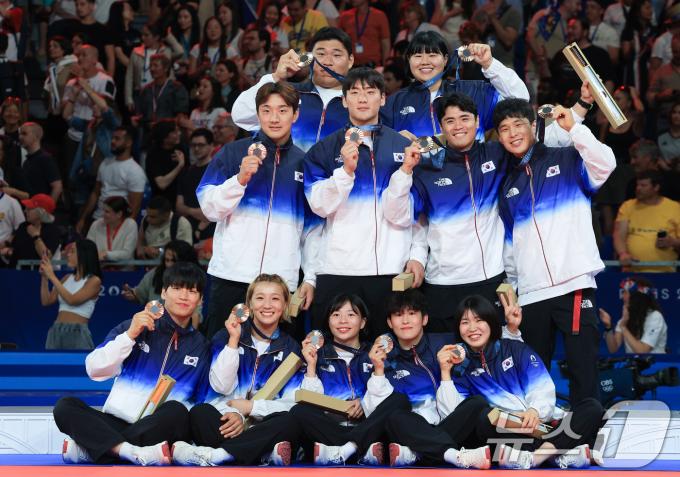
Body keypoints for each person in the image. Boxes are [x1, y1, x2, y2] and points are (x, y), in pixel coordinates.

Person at [382, 88, 594, 332]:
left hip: (489, 281)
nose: (458, 126)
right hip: (440, 284)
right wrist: (405, 170)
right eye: (450, 121)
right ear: (441, 126)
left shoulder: (498, 154)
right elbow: (398, 216)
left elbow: (536, 138)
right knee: (444, 352)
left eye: (465, 119)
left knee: (491, 354)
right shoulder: (426, 169)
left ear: (477, 122)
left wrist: (581, 106)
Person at [495, 98, 616, 404]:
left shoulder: (568, 158)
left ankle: (585, 432)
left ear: (534, 126)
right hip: (531, 293)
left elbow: (606, 163)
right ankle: (539, 431)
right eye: (504, 129)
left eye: (519, 124)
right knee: (533, 378)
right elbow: (510, 246)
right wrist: (513, 291)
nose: (512, 133)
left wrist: (575, 128)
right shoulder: (508, 186)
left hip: (573, 285)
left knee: (583, 372)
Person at [53, 261, 211, 465]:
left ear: (200, 299)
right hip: (117, 422)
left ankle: (100, 449)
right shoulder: (135, 326)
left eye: (192, 291)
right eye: (177, 288)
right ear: (163, 292)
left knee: (177, 411)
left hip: (160, 427)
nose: (184, 296)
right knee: (65, 407)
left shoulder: (202, 347)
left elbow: (203, 401)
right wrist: (130, 336)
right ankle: (129, 451)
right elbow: (94, 369)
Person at [197, 81, 315, 339]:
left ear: (295, 115)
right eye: (266, 110)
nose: (274, 118)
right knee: (220, 351)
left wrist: (310, 277)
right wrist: (239, 180)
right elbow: (209, 208)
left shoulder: (305, 163)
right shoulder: (233, 153)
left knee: (282, 358)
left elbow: (312, 229)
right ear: (258, 113)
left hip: (281, 284)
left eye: (282, 110)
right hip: (231, 276)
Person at [304, 67, 412, 338]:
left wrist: (417, 257)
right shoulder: (324, 150)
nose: (362, 99)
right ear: (344, 100)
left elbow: (418, 213)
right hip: (337, 270)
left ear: (383, 98)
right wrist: (345, 173)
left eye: (370, 92)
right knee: (332, 354)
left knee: (386, 354)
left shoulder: (403, 147)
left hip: (389, 270)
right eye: (354, 92)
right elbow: (319, 207)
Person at [364, 289, 517, 467]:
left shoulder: (448, 343)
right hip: (410, 430)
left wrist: (511, 329)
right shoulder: (383, 356)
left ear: (425, 319)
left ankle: (419, 454)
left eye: (412, 313)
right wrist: (378, 370)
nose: (405, 321)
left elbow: (486, 345)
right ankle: (454, 456)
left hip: (450, 427)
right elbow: (374, 415)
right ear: (390, 323)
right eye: (398, 315)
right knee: (395, 417)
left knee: (478, 403)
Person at [450, 295, 603, 469]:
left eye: (479, 320)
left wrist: (534, 410)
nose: (472, 328)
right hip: (508, 431)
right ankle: (557, 453)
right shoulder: (461, 368)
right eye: (465, 322)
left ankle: (536, 457)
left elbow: (541, 385)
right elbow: (458, 415)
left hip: (542, 425)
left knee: (592, 407)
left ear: (491, 322)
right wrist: (446, 372)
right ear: (458, 328)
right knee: (484, 420)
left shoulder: (515, 348)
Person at [172, 274, 303, 466]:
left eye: (275, 298)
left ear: (284, 305)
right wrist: (233, 340)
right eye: (260, 298)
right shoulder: (225, 336)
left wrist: (252, 408)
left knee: (292, 420)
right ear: (249, 304)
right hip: (226, 420)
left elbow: (291, 403)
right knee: (200, 413)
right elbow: (221, 387)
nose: (267, 305)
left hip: (264, 425)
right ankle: (261, 455)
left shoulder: (291, 348)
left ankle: (220, 455)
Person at [290, 294, 410, 465]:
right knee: (299, 411)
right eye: (336, 315)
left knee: (400, 400)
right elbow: (310, 401)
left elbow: (385, 399)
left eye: (351, 314)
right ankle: (360, 447)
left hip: (368, 425)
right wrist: (311, 366)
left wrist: (364, 402)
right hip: (331, 429)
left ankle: (348, 448)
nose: (343, 321)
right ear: (328, 321)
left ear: (363, 322)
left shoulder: (376, 352)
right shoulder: (318, 354)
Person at [380, 33, 529, 141]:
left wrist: (489, 63)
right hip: (415, 174)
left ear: (445, 59)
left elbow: (520, 99)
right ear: (408, 60)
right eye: (417, 56)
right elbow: (376, 142)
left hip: (471, 171)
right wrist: (393, 141)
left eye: (432, 55)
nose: (425, 61)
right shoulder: (394, 103)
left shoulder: (472, 91)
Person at [231, 27, 354, 152]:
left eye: (336, 55)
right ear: (310, 59)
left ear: (350, 61)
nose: (327, 62)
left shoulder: (360, 103)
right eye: (321, 54)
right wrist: (275, 77)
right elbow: (240, 115)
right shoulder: (288, 93)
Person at [61, 44, 116, 183]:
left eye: (84, 55)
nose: (79, 59)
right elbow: (65, 112)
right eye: (78, 55)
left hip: (95, 137)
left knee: (94, 177)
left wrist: (86, 86)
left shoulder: (105, 80)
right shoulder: (71, 83)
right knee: (72, 178)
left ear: (95, 60)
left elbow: (105, 106)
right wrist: (74, 93)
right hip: (74, 134)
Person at [76, 126, 146, 233]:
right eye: (112, 138)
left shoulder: (135, 171)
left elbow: (134, 208)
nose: (112, 141)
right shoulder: (105, 162)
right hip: (98, 218)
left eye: (117, 139)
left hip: (117, 223)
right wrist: (83, 218)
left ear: (129, 143)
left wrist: (122, 232)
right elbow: (95, 193)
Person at [39, 239, 101, 350]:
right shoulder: (66, 278)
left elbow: (72, 300)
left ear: (84, 255)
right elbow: (46, 301)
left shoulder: (94, 280)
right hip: (56, 330)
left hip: (78, 332)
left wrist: (52, 276)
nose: (68, 254)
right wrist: (45, 277)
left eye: (72, 251)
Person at [614, 171, 680, 272]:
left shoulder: (675, 207)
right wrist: (623, 253)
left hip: (666, 272)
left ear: (656, 187)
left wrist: (672, 242)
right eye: (637, 185)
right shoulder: (627, 206)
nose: (638, 188)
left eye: (643, 185)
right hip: (632, 272)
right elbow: (619, 234)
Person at [600, 277, 668, 353]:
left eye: (625, 293)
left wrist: (623, 327)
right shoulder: (626, 318)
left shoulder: (655, 317)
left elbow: (642, 351)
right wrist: (608, 327)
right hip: (632, 361)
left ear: (636, 297)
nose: (622, 297)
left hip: (656, 360)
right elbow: (613, 349)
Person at [176, 128, 215, 242]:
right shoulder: (186, 172)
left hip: (210, 231)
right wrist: (195, 212)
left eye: (201, 145)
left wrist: (188, 211)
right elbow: (179, 206)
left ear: (211, 146)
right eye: (193, 145)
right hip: (185, 229)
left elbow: (215, 209)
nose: (196, 148)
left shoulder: (218, 172)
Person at [4, 194, 60, 267]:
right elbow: (14, 248)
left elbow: (46, 257)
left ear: (41, 212)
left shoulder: (52, 231)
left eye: (29, 209)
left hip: (36, 272)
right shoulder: (23, 226)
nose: (25, 211)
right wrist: (8, 251)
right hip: (15, 270)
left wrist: (36, 237)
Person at [18, 122, 62, 203]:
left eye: (24, 134)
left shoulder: (45, 158)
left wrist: (47, 208)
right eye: (20, 134)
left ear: (36, 136)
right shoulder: (27, 161)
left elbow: (57, 186)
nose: (20, 137)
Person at [338, 0, 390, 66]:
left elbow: (385, 43)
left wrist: (385, 66)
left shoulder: (379, 16)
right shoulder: (345, 16)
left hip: (373, 66)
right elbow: (339, 42)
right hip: (352, 66)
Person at [86, 196, 138, 262]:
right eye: (103, 210)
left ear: (119, 214)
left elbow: (127, 254)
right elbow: (87, 249)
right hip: (99, 267)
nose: (103, 214)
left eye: (107, 212)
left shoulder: (130, 224)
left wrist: (107, 255)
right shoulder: (96, 224)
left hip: (124, 268)